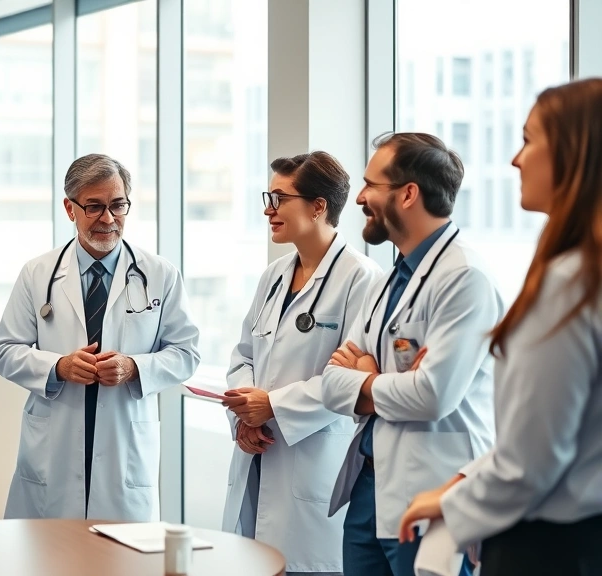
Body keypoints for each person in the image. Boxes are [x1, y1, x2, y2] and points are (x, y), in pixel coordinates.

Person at [398, 78, 602, 575]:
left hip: (547, 548)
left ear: (574, 154)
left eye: (530, 140)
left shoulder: (569, 284)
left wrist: (455, 504)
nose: (515, 159)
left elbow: (531, 461)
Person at [320, 133, 504, 576]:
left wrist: (365, 375)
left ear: (408, 194)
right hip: (370, 490)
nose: (360, 197)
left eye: (370, 185)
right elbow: (330, 380)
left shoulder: (464, 278)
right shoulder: (393, 276)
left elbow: (432, 397)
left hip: (432, 492)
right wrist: (379, 379)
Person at [0, 153, 200, 521]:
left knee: (120, 558)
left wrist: (135, 367)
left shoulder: (160, 274)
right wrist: (59, 366)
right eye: (94, 207)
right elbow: (6, 350)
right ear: (69, 209)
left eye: (118, 205)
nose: (108, 219)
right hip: (55, 435)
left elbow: (186, 352)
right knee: (48, 556)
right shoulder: (37, 273)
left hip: (124, 438)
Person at [220, 152, 381, 576]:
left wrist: (272, 405)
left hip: (313, 463)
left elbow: (351, 381)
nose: (268, 209)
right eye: (267, 197)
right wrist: (245, 415)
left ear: (318, 205)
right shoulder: (274, 274)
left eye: (279, 198)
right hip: (258, 452)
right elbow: (244, 353)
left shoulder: (361, 278)